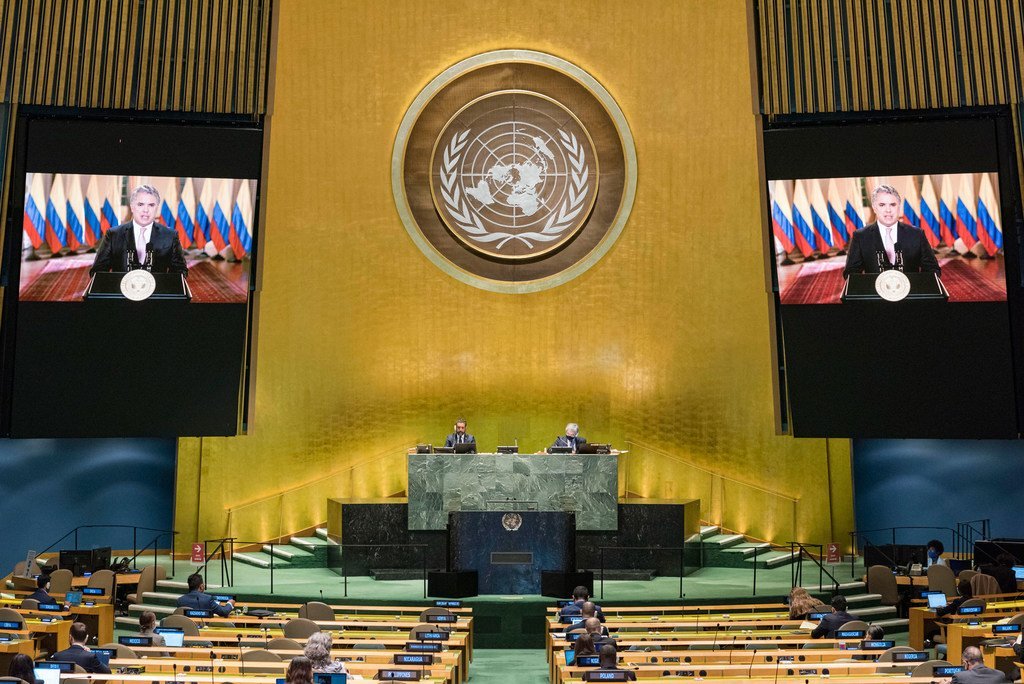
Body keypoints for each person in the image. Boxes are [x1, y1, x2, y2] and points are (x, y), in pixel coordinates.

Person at [842, 185, 941, 278]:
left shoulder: (917, 234)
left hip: (910, 293)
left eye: (893, 205)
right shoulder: (860, 236)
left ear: (899, 206)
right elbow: (851, 273)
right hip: (875, 294)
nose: (888, 210)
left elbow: (932, 269)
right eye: (882, 205)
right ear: (874, 207)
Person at [90, 185, 188, 276]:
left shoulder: (170, 235)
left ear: (157, 208)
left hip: (156, 292)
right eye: (140, 204)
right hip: (121, 292)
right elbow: (98, 271)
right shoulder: (113, 234)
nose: (146, 210)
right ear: (132, 207)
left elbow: (180, 271)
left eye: (151, 205)